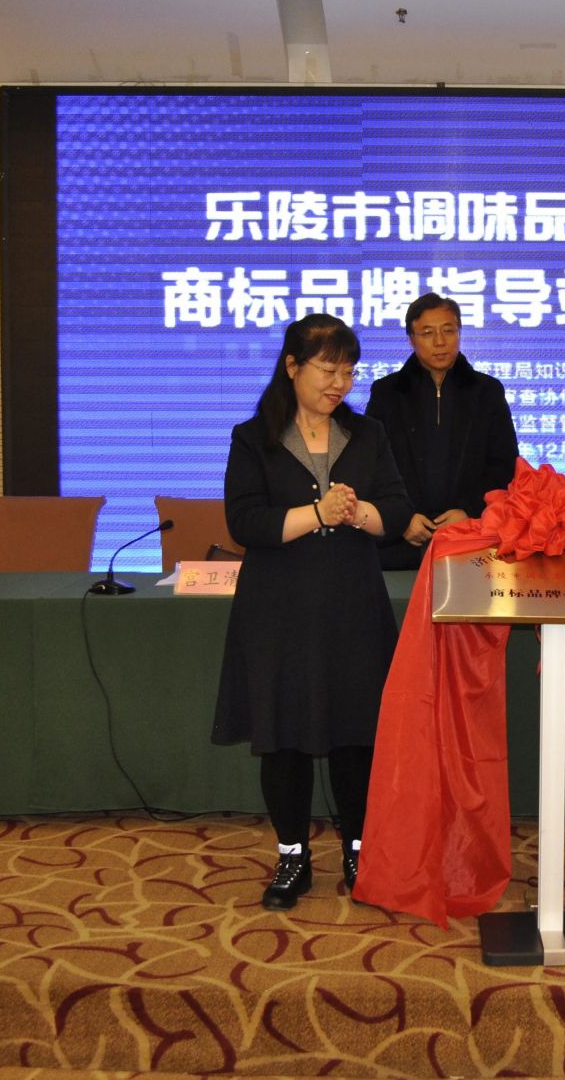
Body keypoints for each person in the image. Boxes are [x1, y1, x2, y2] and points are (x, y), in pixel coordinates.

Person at [211, 314, 414, 911]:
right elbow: (245, 522)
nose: (340, 383)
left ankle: (359, 849)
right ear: (292, 366)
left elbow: (397, 510)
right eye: (328, 369)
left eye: (349, 371)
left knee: (357, 733)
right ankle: (292, 855)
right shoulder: (254, 437)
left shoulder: (368, 433)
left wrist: (359, 513)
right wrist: (319, 514)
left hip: (352, 604)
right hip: (279, 608)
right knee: (284, 737)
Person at [365, 293, 520, 570]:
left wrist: (470, 512)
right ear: (411, 339)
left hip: (473, 539)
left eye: (448, 331)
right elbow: (372, 467)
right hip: (404, 541)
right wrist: (400, 518)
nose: (439, 341)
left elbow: (504, 465)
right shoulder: (387, 393)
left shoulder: (487, 391)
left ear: (459, 333)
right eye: (427, 333)